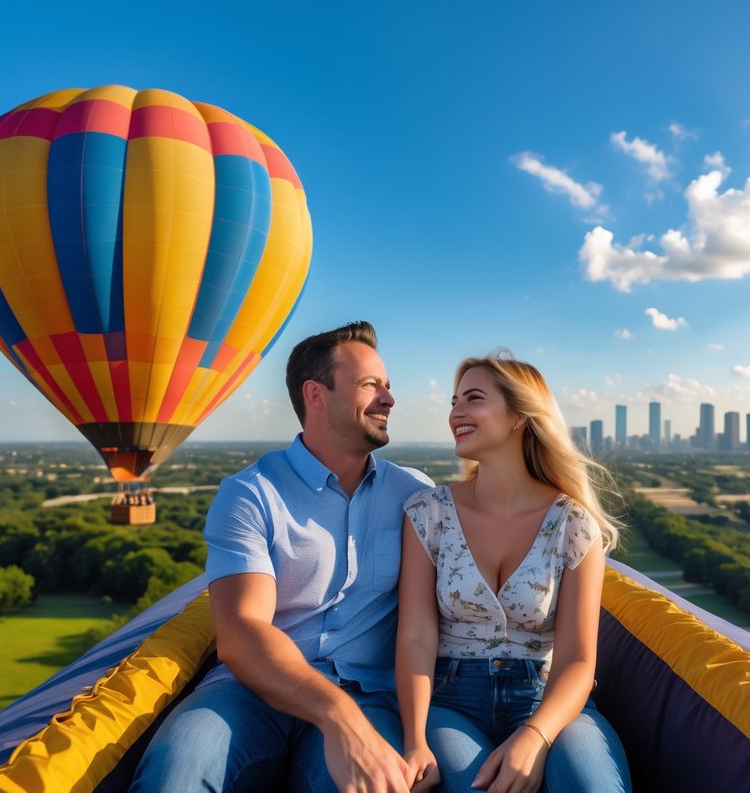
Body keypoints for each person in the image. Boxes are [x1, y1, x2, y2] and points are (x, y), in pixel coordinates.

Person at [131, 321, 432, 793]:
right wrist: (338, 717)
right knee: (177, 774)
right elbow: (242, 631)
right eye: (371, 385)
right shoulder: (250, 494)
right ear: (316, 394)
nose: (389, 399)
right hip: (250, 691)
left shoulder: (416, 495)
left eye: (388, 386)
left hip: (370, 697)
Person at [396, 352, 631, 793]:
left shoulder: (574, 525)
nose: (455, 412)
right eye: (454, 400)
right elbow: (415, 638)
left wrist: (537, 735)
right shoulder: (428, 514)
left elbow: (579, 659)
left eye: (474, 398)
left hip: (548, 700)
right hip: (450, 701)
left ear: (519, 416)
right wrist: (413, 741)